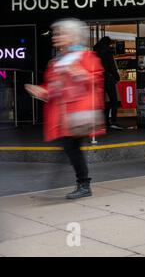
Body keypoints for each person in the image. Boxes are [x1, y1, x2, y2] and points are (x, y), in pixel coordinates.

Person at [25, 18, 105, 199]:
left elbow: (96, 81)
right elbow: (53, 88)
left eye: (61, 33)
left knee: (70, 148)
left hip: (78, 115)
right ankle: (78, 184)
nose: (56, 37)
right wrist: (41, 91)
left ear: (74, 37)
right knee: (69, 148)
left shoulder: (86, 57)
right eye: (56, 33)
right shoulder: (56, 62)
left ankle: (82, 184)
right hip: (63, 117)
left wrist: (82, 74)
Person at [93, 36, 122, 130]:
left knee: (102, 101)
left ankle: (104, 121)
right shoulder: (108, 51)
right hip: (108, 79)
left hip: (99, 79)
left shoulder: (95, 51)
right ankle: (113, 121)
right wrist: (117, 76)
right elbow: (112, 66)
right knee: (114, 101)